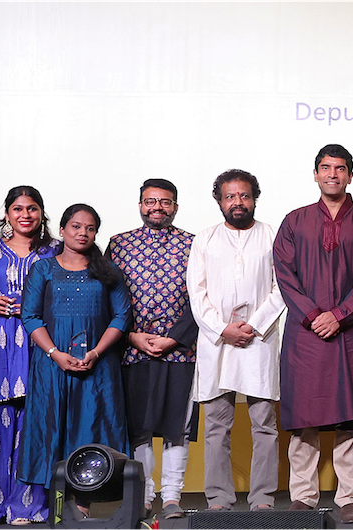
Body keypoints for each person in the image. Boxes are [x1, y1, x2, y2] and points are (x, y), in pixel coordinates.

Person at [274, 144, 353, 524]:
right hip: (305, 335)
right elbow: (285, 276)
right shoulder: (295, 221)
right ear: (315, 174)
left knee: (347, 415)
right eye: (325, 168)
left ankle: (348, 494)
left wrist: (338, 315)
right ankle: (302, 494)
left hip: (348, 333)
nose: (332, 174)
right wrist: (313, 315)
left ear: (350, 175)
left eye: (340, 168)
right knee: (304, 416)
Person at [17, 204, 131, 513]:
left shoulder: (108, 271)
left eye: (90, 228)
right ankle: (57, 507)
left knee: (91, 429)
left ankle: (84, 507)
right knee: (53, 427)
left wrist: (95, 353)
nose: (83, 233)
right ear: (63, 230)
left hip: (98, 367)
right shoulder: (43, 269)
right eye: (76, 226)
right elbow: (30, 316)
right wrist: (55, 354)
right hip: (53, 365)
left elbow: (121, 317)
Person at [188, 170, 286, 512]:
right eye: (230, 197)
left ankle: (262, 499)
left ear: (255, 198)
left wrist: (254, 326)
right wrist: (223, 329)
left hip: (259, 342)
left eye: (244, 196)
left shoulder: (272, 236)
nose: (238, 202)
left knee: (264, 425)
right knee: (216, 426)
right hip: (217, 344)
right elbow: (196, 293)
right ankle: (219, 499)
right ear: (219, 201)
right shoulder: (205, 239)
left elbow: (282, 287)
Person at [107, 179, 198, 518]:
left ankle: (172, 496)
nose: (156, 207)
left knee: (179, 427)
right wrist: (130, 335)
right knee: (139, 428)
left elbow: (201, 299)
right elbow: (108, 296)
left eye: (165, 202)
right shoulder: (119, 245)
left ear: (175, 206)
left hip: (181, 350)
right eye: (150, 201)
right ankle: (143, 496)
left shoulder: (193, 244)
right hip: (134, 350)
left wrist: (176, 337)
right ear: (140, 204)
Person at [0, 186, 58, 525]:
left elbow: (69, 295)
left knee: (37, 420)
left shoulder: (55, 252)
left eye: (33, 208)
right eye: (18, 208)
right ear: (6, 214)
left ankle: (31, 505)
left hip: (42, 343)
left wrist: (42, 308)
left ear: (42, 213)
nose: (26, 215)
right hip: (0, 345)